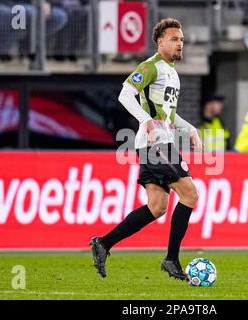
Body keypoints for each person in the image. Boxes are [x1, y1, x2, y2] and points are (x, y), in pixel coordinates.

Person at [90, 18, 203, 281]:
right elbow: (125, 94)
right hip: (156, 144)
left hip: (157, 143)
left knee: (157, 206)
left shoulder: (171, 72)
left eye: (182, 40)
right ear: (160, 41)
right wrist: (145, 120)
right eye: (174, 39)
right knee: (190, 195)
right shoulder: (150, 67)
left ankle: (103, 243)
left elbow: (169, 116)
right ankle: (172, 259)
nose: (179, 44)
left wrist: (190, 130)